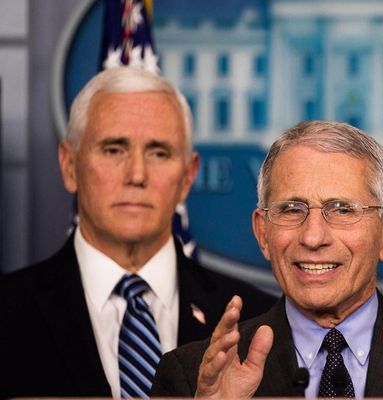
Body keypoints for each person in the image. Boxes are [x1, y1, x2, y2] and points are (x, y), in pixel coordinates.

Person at [150, 120, 383, 398]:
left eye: (341, 210)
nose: (313, 237)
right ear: (263, 233)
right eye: (292, 209)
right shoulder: (191, 376)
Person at [0, 67, 276, 399]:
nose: (136, 174)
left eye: (159, 153)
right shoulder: (8, 311)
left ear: (188, 177)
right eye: (113, 150)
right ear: (69, 165)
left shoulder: (259, 323)